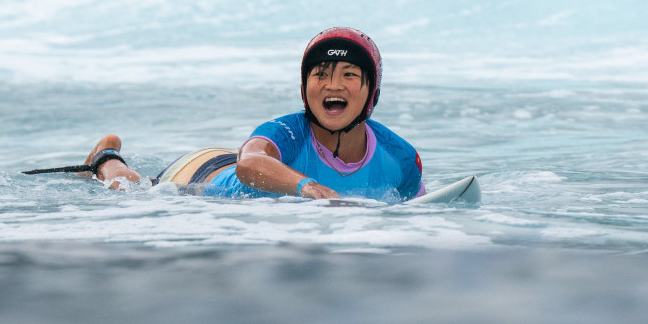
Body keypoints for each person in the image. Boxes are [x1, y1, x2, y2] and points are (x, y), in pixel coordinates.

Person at [82, 27, 423, 202]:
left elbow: (420, 207)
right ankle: (105, 158)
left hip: (236, 164)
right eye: (320, 74)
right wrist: (308, 188)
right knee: (132, 191)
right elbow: (248, 165)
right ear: (305, 87)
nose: (332, 85)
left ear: (371, 90)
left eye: (349, 74)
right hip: (204, 180)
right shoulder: (287, 131)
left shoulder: (400, 156)